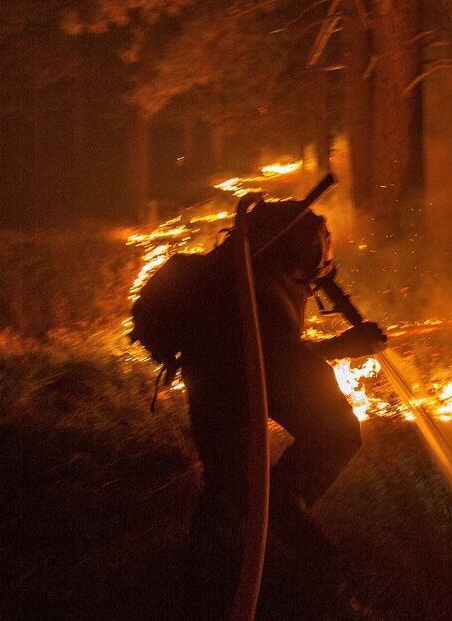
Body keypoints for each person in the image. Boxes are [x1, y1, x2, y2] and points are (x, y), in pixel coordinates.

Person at [179, 198, 386, 611]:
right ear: (302, 258)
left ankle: (208, 577)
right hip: (228, 379)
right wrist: (344, 346)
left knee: (228, 482)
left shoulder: (241, 281)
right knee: (338, 431)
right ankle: (299, 547)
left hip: (206, 380)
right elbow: (274, 360)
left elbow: (269, 355)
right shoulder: (265, 294)